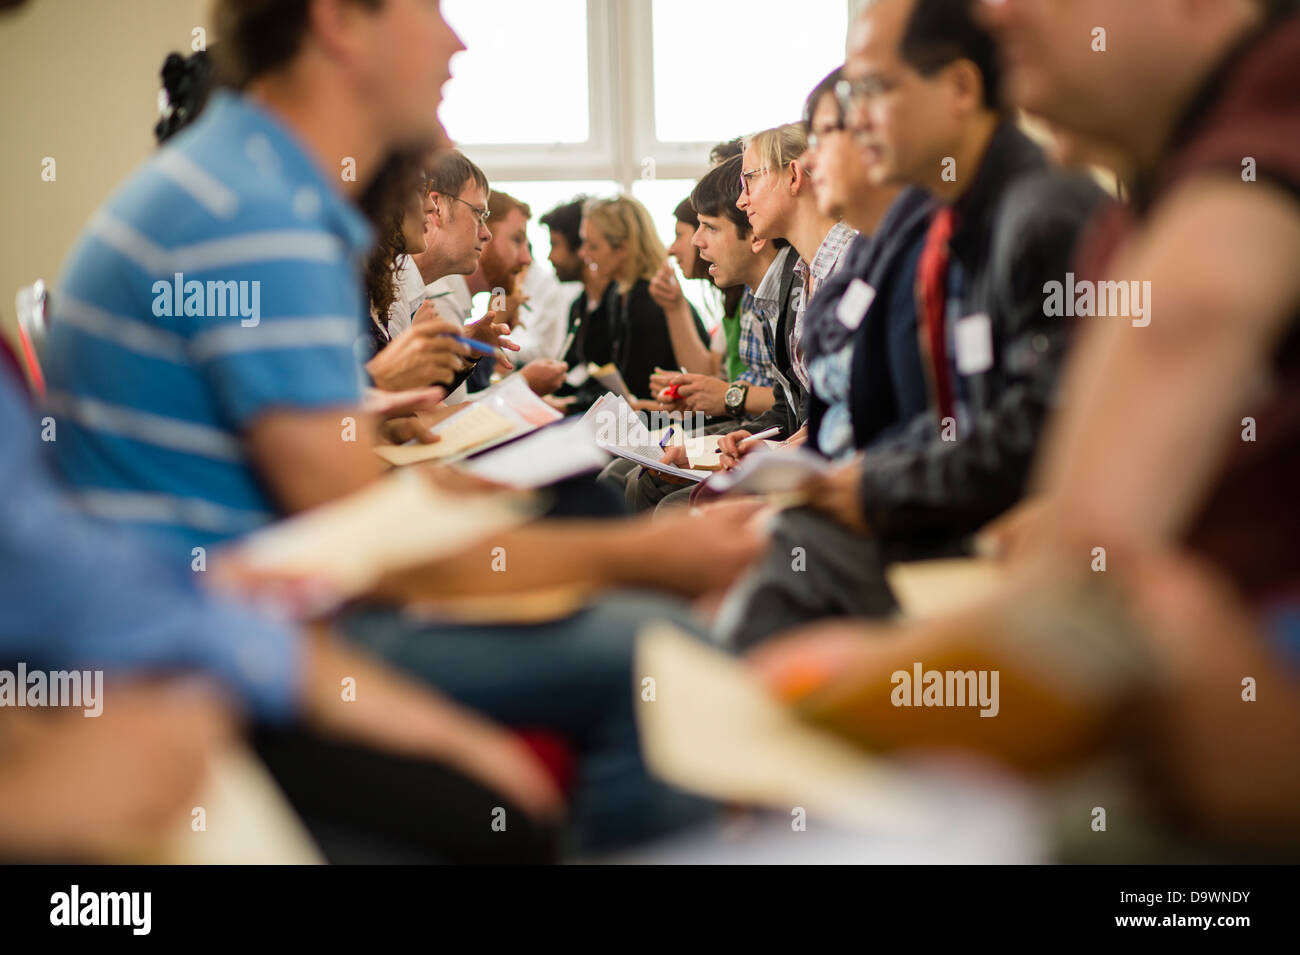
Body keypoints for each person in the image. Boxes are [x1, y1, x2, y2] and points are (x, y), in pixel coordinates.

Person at [39, 0, 767, 853]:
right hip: (211, 662)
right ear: (340, 23)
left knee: (604, 566)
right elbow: (368, 546)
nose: (456, 40)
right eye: (429, 9)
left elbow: (343, 489)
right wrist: (646, 557)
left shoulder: (252, 184)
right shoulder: (255, 211)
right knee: (655, 651)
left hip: (247, 607)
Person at [714, 0, 1106, 649]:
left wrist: (874, 482)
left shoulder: (1039, 214)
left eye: (873, 89)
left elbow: (1039, 431)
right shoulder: (954, 216)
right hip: (947, 518)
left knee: (783, 561)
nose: (856, 116)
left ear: (960, 88)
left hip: (1006, 557)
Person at [572, 195, 709, 402]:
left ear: (623, 248)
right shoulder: (617, 292)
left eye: (593, 246)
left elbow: (636, 386)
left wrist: (572, 405)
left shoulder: (649, 300)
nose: (583, 254)